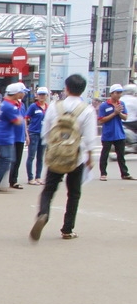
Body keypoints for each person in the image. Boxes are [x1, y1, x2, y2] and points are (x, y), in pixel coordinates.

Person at [29, 74, 97, 241]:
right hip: (76, 157)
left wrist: (51, 147)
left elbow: (46, 132)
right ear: (83, 90)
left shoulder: (54, 106)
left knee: (48, 190)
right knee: (73, 193)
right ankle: (67, 229)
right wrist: (90, 157)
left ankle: (43, 213)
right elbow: (89, 138)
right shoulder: (87, 110)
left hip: (56, 155)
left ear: (66, 88)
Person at [0, 83, 26, 192]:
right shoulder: (10, 106)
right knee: (6, 160)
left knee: (5, 160)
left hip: (5, 136)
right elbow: (18, 121)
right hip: (5, 137)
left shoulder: (7, 104)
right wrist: (20, 118)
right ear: (16, 93)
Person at [97, 83, 133, 181]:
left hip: (119, 134)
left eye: (120, 93)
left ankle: (124, 173)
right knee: (105, 154)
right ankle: (103, 173)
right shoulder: (104, 106)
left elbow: (125, 117)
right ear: (112, 93)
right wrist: (114, 113)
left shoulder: (122, 104)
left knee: (121, 155)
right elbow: (101, 120)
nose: (119, 95)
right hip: (108, 134)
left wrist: (119, 113)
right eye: (117, 93)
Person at [25, 87, 49, 184]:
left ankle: (38, 177)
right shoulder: (33, 106)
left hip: (43, 134)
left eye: (44, 95)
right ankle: (30, 178)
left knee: (40, 157)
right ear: (37, 95)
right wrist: (26, 134)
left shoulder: (48, 107)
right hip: (33, 133)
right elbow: (25, 119)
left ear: (47, 96)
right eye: (40, 94)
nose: (42, 96)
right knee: (31, 156)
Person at [8, 83, 29, 189]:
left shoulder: (22, 105)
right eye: (23, 92)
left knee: (18, 159)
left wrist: (26, 135)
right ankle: (8, 179)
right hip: (11, 136)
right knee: (12, 159)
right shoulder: (10, 105)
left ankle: (14, 180)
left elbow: (24, 120)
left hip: (20, 136)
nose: (24, 94)